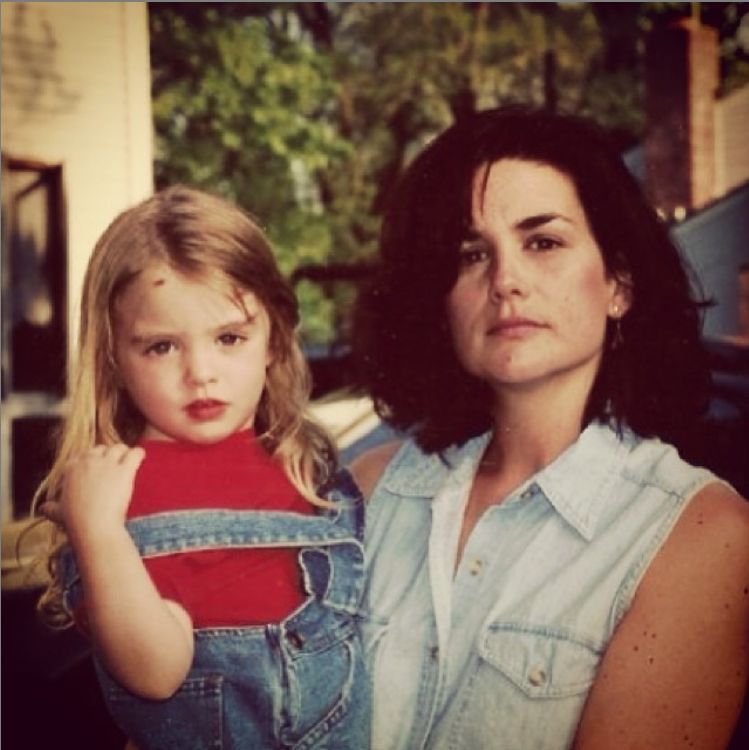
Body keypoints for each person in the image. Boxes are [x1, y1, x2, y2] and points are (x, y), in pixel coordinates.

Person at [350, 106, 749, 750]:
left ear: (618, 283)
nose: (506, 281)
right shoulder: (371, 491)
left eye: (543, 242)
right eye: (470, 254)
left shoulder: (700, 534)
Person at [35, 186, 369, 750]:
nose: (201, 373)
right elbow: (155, 672)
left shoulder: (306, 466)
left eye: (229, 338)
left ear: (274, 338)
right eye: (162, 347)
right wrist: (98, 535)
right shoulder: (115, 492)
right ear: (115, 357)